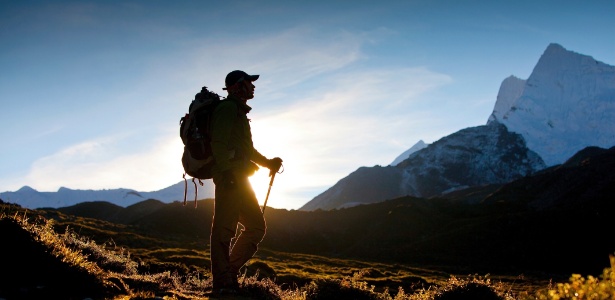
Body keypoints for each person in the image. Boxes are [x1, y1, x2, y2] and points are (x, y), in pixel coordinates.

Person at [209, 70, 282, 294]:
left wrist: (268, 163)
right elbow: (218, 142)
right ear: (237, 86)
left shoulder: (238, 112)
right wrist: (226, 173)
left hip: (239, 177)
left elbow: (246, 150)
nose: (253, 87)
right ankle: (223, 283)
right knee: (225, 229)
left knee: (254, 227)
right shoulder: (228, 109)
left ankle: (227, 275)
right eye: (249, 83)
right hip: (231, 178)